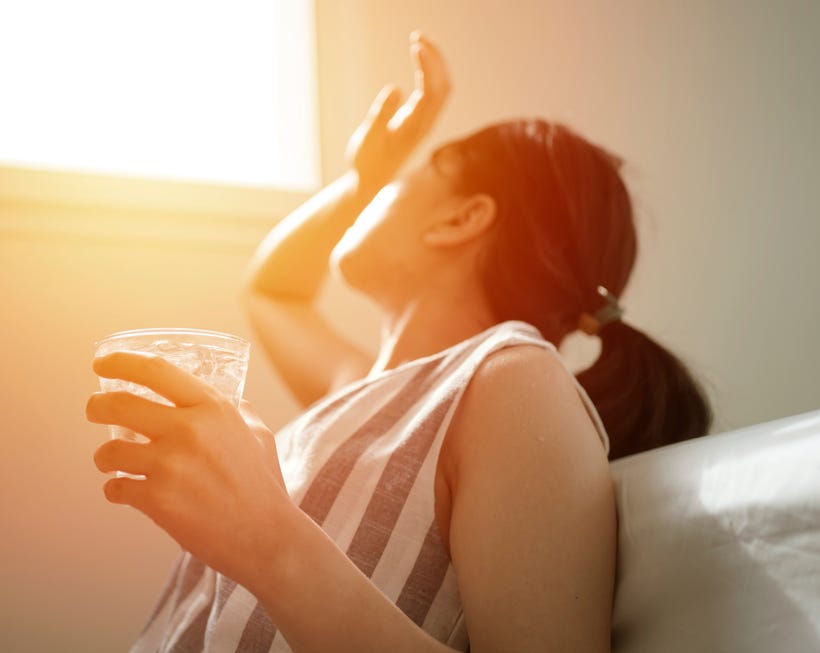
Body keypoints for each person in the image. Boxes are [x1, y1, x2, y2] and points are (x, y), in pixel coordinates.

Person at [86, 31, 711, 653]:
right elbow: (272, 290)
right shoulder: (362, 389)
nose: (372, 195)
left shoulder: (512, 383)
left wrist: (267, 539)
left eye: (404, 180)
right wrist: (368, 176)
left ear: (461, 219)